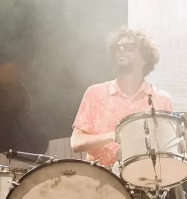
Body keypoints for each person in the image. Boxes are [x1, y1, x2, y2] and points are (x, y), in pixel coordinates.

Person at [71, 26, 173, 167]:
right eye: (118, 47)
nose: (121, 50)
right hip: (100, 177)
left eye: (129, 47)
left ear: (145, 58)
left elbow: (168, 150)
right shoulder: (95, 92)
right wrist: (113, 135)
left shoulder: (161, 99)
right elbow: (76, 143)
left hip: (144, 177)